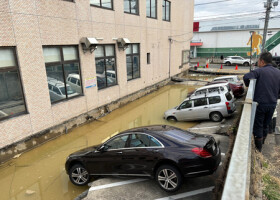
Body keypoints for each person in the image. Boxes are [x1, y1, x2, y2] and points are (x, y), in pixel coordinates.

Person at [243, 52, 280, 152]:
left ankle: (258, 149)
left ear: (262, 61)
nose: (258, 62)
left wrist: (249, 85)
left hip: (261, 104)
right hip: (272, 103)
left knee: (258, 125)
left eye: (259, 60)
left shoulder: (259, 71)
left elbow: (246, 77)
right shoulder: (278, 72)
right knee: (266, 124)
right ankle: (262, 142)